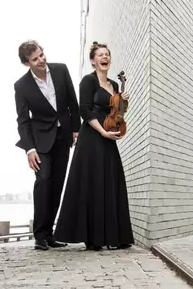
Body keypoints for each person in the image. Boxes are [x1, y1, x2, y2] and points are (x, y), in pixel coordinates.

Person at [54, 41, 135, 250]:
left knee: (110, 183)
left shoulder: (114, 85)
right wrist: (102, 131)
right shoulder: (88, 82)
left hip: (108, 138)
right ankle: (94, 238)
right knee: (93, 184)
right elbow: (85, 110)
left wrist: (123, 100)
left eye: (107, 54)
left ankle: (113, 237)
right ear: (93, 61)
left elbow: (117, 112)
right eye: (100, 55)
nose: (104, 57)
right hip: (92, 136)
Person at [13, 40, 80, 250]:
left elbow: (72, 101)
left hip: (63, 137)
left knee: (57, 184)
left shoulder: (60, 70)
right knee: (43, 181)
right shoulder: (21, 86)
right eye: (35, 59)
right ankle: (40, 235)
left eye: (42, 55)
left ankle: (50, 234)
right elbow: (23, 120)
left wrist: (75, 129)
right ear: (27, 64)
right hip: (40, 141)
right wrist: (29, 149)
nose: (41, 60)